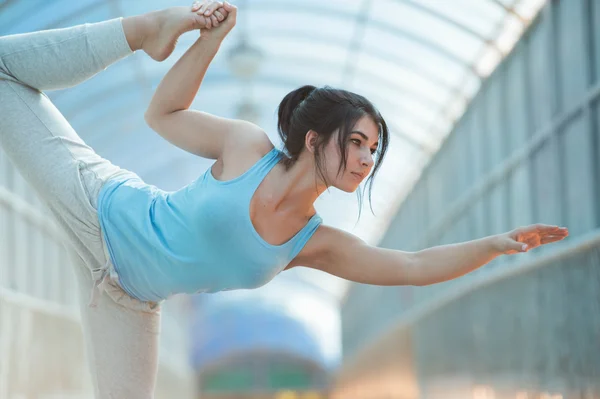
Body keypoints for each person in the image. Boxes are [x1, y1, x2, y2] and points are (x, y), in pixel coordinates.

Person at [0, 1, 569, 397]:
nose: (369, 159)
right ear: (315, 139)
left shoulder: (311, 243)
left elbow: (413, 266)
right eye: (357, 143)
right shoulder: (247, 148)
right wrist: (210, 41)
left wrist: (495, 244)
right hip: (100, 207)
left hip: (127, 300)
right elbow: (161, 114)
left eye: (374, 149)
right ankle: (145, 26)